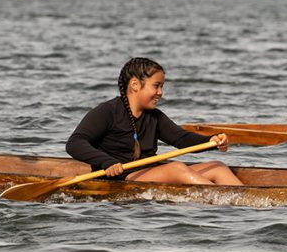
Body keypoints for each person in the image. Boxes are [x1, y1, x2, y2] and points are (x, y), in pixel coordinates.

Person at [66, 57, 242, 185]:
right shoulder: (107, 111)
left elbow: (181, 139)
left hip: (149, 172)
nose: (160, 93)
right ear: (135, 85)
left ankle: (244, 203)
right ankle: (223, 199)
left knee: (217, 167)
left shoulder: (154, 116)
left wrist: (210, 141)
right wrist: (107, 162)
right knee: (177, 168)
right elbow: (75, 143)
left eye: (162, 87)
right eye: (156, 86)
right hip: (121, 177)